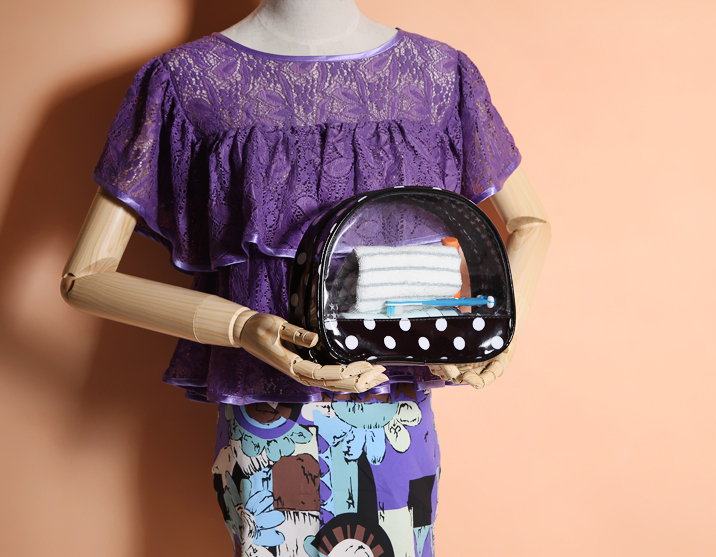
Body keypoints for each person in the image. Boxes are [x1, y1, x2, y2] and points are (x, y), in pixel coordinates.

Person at [61, 2, 551, 555]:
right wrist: (242, 326)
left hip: (393, 411)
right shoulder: (186, 83)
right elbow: (83, 277)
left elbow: (530, 224)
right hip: (267, 414)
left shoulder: (440, 77)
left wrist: (495, 333)